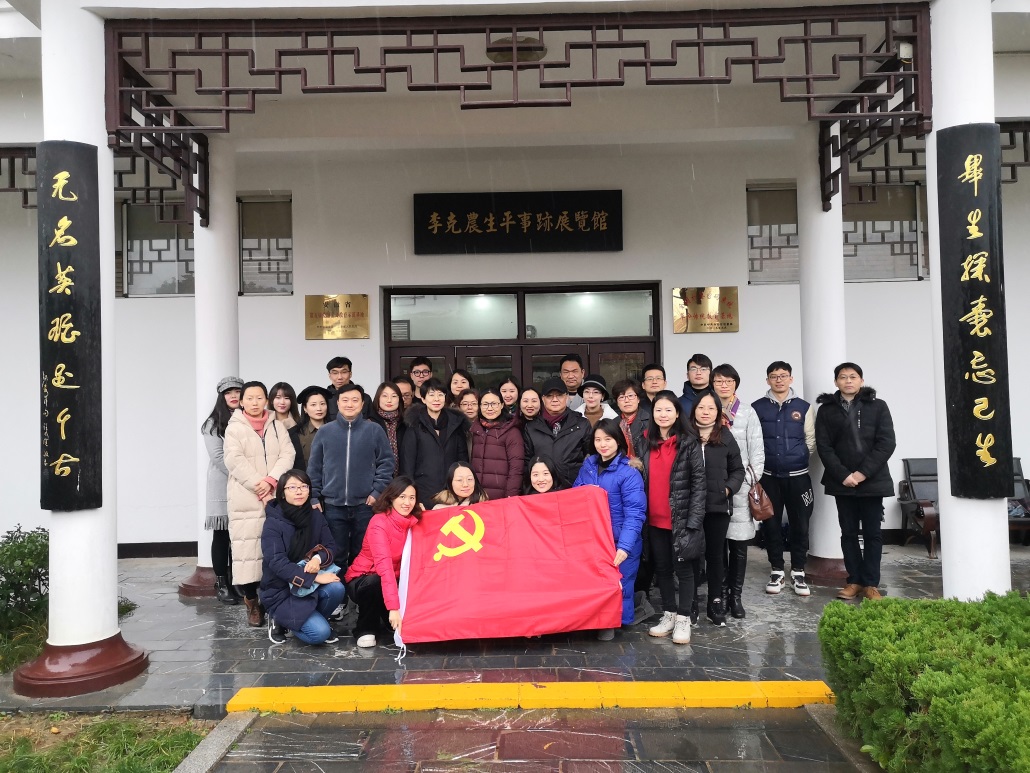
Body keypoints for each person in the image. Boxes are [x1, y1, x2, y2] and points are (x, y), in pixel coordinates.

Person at [815, 362, 896, 602]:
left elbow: (886, 443)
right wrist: (843, 475)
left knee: (872, 534)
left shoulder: (878, 406)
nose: (848, 381)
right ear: (836, 382)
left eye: (853, 376)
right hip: (842, 482)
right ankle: (854, 581)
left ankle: (870, 583)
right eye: (843, 377)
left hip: (872, 481)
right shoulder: (826, 410)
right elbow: (824, 447)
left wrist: (862, 474)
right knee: (848, 533)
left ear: (861, 380)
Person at [634, 391, 706, 644]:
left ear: (677, 414)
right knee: (663, 569)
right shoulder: (644, 441)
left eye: (668, 410)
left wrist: (694, 521)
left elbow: (699, 484)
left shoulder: (688, 443)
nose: (662, 415)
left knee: (684, 570)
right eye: (658, 410)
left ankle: (684, 618)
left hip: (681, 519)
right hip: (654, 520)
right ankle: (669, 614)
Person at [223, 381, 297, 626]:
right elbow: (234, 460)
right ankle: (252, 602)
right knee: (247, 551)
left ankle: (272, 601)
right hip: (246, 497)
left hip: (276, 494)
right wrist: (259, 485)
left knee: (275, 550)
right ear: (242, 401)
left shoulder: (277, 425)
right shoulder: (234, 427)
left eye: (259, 398)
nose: (254, 403)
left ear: (266, 400)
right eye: (249, 398)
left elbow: (288, 454)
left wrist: (271, 480)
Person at [307, 383, 395, 570]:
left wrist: (377, 491)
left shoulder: (374, 430)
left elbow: (387, 463)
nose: (349, 404)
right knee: (335, 553)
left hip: (365, 504)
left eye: (355, 400)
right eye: (345, 400)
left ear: (362, 404)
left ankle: (357, 587)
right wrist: (313, 496)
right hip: (333, 505)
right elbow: (314, 467)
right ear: (337, 403)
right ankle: (338, 588)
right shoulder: (325, 431)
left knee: (362, 553)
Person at [573, 418, 647, 640]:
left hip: (619, 541)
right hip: (593, 540)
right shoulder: (588, 467)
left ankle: (616, 622)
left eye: (608, 439)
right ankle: (599, 621)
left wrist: (624, 546)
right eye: (598, 440)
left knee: (621, 584)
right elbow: (574, 498)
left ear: (618, 441)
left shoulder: (629, 472)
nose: (602, 444)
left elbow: (635, 513)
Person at [751, 361, 817, 598]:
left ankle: (798, 570)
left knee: (801, 524)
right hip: (768, 478)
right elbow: (754, 440)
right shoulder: (757, 407)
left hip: (798, 478)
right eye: (774, 376)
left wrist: (798, 458)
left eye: (783, 375)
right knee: (771, 524)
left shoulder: (804, 407)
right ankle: (777, 570)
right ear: (767, 380)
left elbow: (810, 440)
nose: (778, 380)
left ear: (791, 378)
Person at [259, 470, 344, 645]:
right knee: (319, 634)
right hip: (281, 589)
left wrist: (317, 559)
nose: (299, 491)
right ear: (282, 492)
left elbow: (330, 546)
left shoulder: (315, 516)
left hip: (307, 587)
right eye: (292, 487)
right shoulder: (273, 522)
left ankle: (308, 619)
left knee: (336, 588)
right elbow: (276, 562)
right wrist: (315, 577)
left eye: (304, 487)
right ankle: (279, 618)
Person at [711, 364, 765, 618]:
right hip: (715, 489)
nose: (724, 385)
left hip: (741, 489)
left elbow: (757, 452)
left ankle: (736, 596)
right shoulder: (708, 409)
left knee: (739, 546)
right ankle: (721, 594)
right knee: (718, 546)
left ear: (735, 384)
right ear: (712, 384)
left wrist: (746, 481)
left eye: (728, 381)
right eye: (719, 381)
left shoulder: (748, 412)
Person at [687, 391, 745, 627]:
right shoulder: (685, 436)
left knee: (716, 556)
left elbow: (738, 470)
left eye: (711, 408)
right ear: (694, 410)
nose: (706, 412)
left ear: (718, 412)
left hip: (717, 506)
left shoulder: (725, 436)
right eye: (701, 407)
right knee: (691, 555)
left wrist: (727, 489)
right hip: (690, 507)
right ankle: (690, 603)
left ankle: (715, 602)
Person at [344, 476, 422, 648]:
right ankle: (365, 628)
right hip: (365, 578)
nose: (407, 502)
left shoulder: (414, 521)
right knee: (375, 582)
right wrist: (394, 608)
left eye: (412, 498)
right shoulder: (379, 523)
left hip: (394, 581)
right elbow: (384, 568)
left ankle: (385, 615)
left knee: (400, 625)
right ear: (391, 497)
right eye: (402, 497)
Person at [201, 376, 244, 605]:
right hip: (223, 484)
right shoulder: (213, 423)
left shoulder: (247, 418)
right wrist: (245, 476)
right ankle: (222, 583)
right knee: (222, 535)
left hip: (245, 486)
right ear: (222, 396)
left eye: (237, 391)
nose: (233, 396)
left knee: (240, 536)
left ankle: (237, 580)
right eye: (228, 392)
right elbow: (218, 457)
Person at [400, 378, 470, 508]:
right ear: (423, 399)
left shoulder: (455, 424)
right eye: (431, 395)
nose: (436, 399)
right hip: (423, 490)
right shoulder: (414, 425)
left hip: (451, 491)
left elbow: (463, 461)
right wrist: (411, 496)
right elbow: (407, 464)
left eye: (440, 395)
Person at [523, 377, 592, 488]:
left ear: (567, 397)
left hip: (574, 487)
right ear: (543, 399)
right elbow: (527, 463)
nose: (555, 400)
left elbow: (592, 458)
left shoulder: (582, 424)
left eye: (559, 395)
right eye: (550, 396)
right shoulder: (531, 427)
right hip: (542, 489)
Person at [470, 388, 525, 500]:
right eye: (485, 404)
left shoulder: (511, 432)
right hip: (477, 497)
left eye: (494, 404)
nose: (490, 408)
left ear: (502, 405)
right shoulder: (475, 430)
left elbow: (516, 468)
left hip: (501, 498)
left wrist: (510, 497)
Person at [290, 385, 332, 469]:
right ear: (305, 408)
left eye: (322, 404)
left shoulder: (336, 430)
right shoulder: (295, 433)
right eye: (313, 405)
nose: (319, 408)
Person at [368, 382, 407, 470]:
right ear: (378, 398)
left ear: (400, 399)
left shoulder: (407, 423)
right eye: (385, 396)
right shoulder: (369, 424)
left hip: (403, 476)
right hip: (377, 475)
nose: (389, 400)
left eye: (394, 396)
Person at [612, 379, 651, 457]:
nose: (626, 400)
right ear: (617, 403)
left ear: (638, 399)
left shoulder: (650, 421)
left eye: (630, 396)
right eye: (622, 397)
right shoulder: (613, 424)